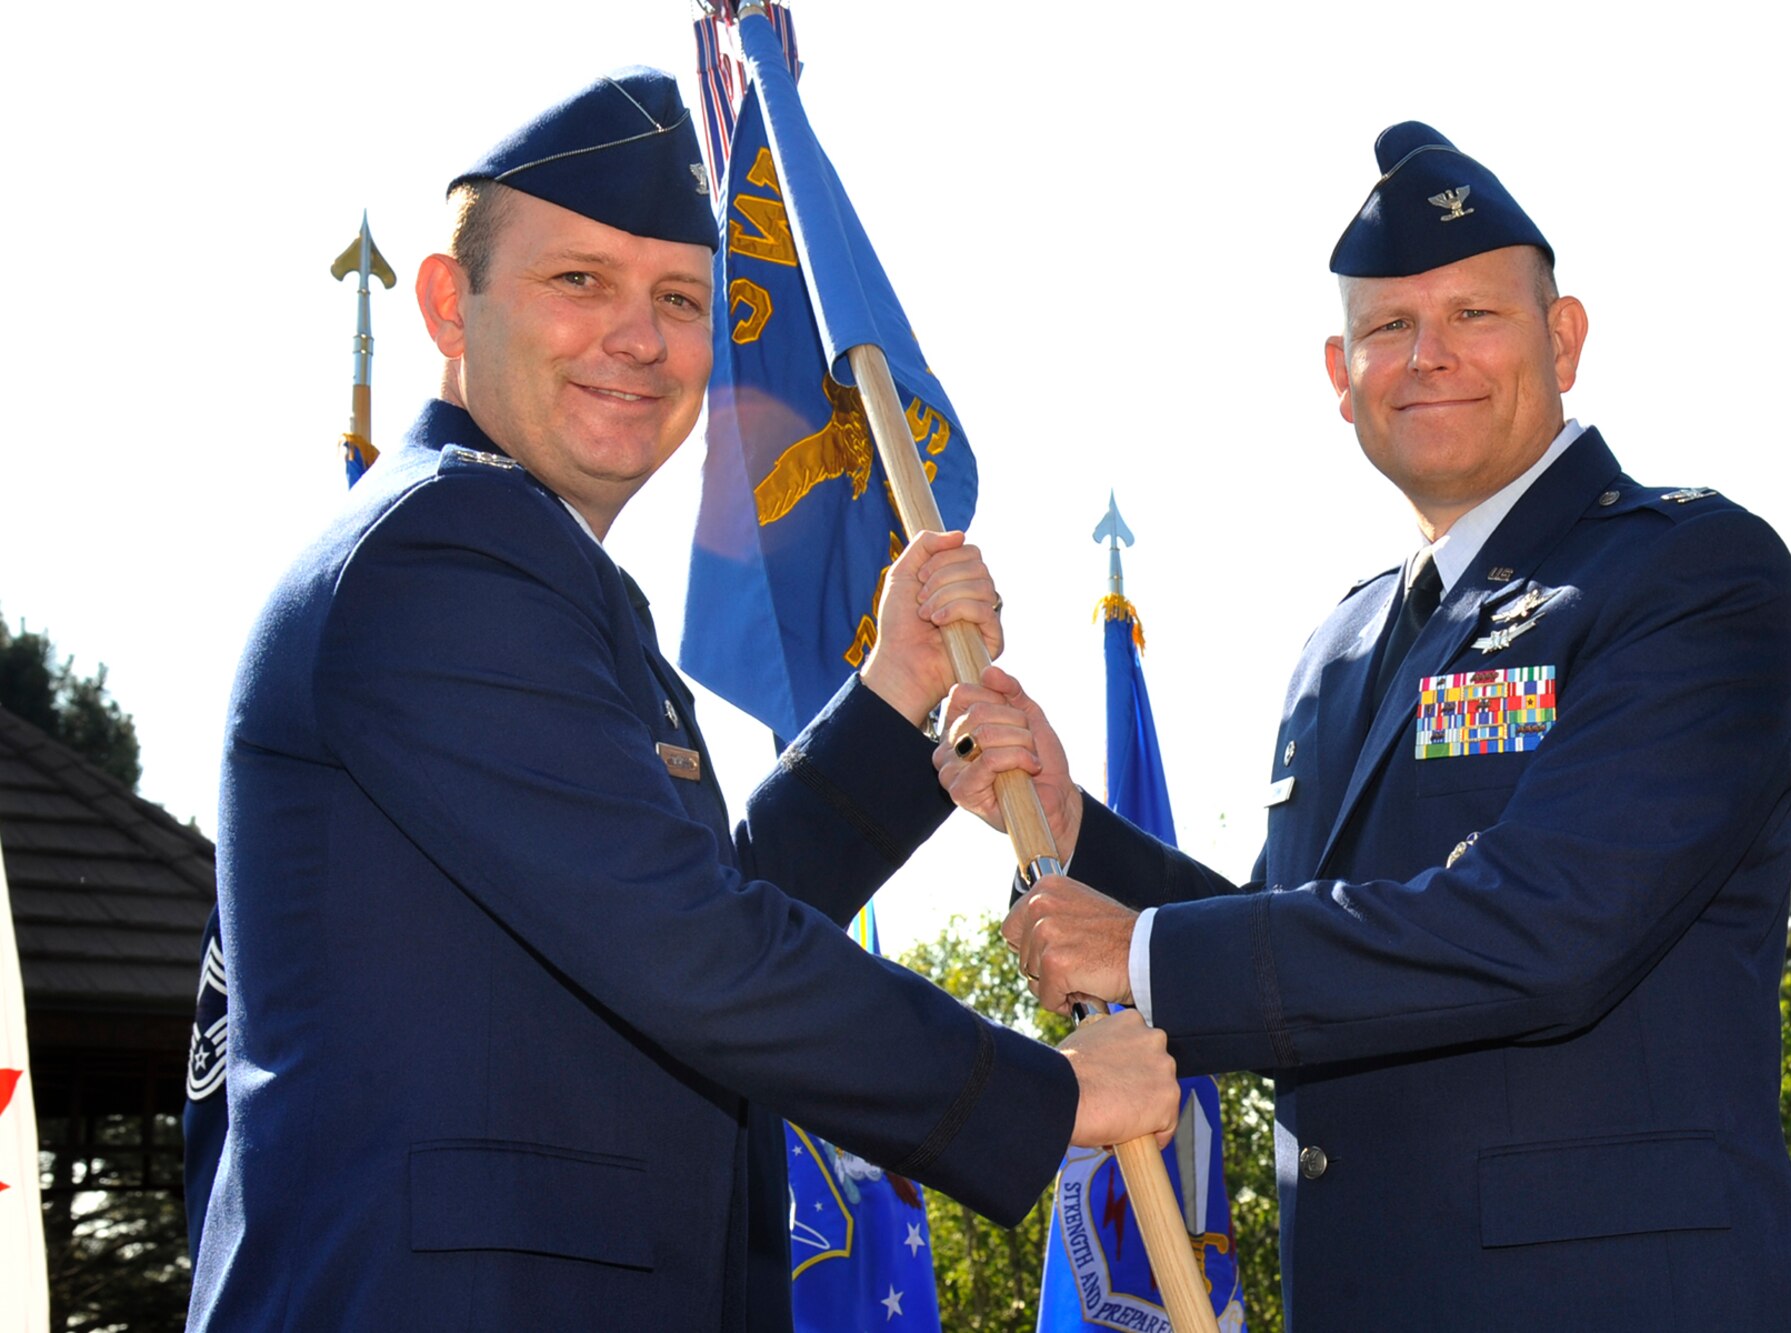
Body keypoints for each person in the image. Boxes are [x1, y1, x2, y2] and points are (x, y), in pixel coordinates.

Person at [188, 68, 1177, 1332]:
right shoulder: (443, 555)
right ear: (449, 303)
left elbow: (684, 905)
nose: (639, 337)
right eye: (577, 281)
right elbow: (685, 945)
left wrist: (890, 701)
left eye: (679, 299)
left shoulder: (532, 567)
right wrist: (1046, 1094)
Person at [937, 121, 1791, 1330]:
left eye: (1474, 316)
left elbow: (1543, 925)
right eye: (1388, 328)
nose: (1428, 357)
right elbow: (1286, 941)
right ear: (1335, 372)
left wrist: (1139, 950)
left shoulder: (1689, 574)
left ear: (1562, 339)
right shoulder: (1341, 644)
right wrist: (1074, 821)